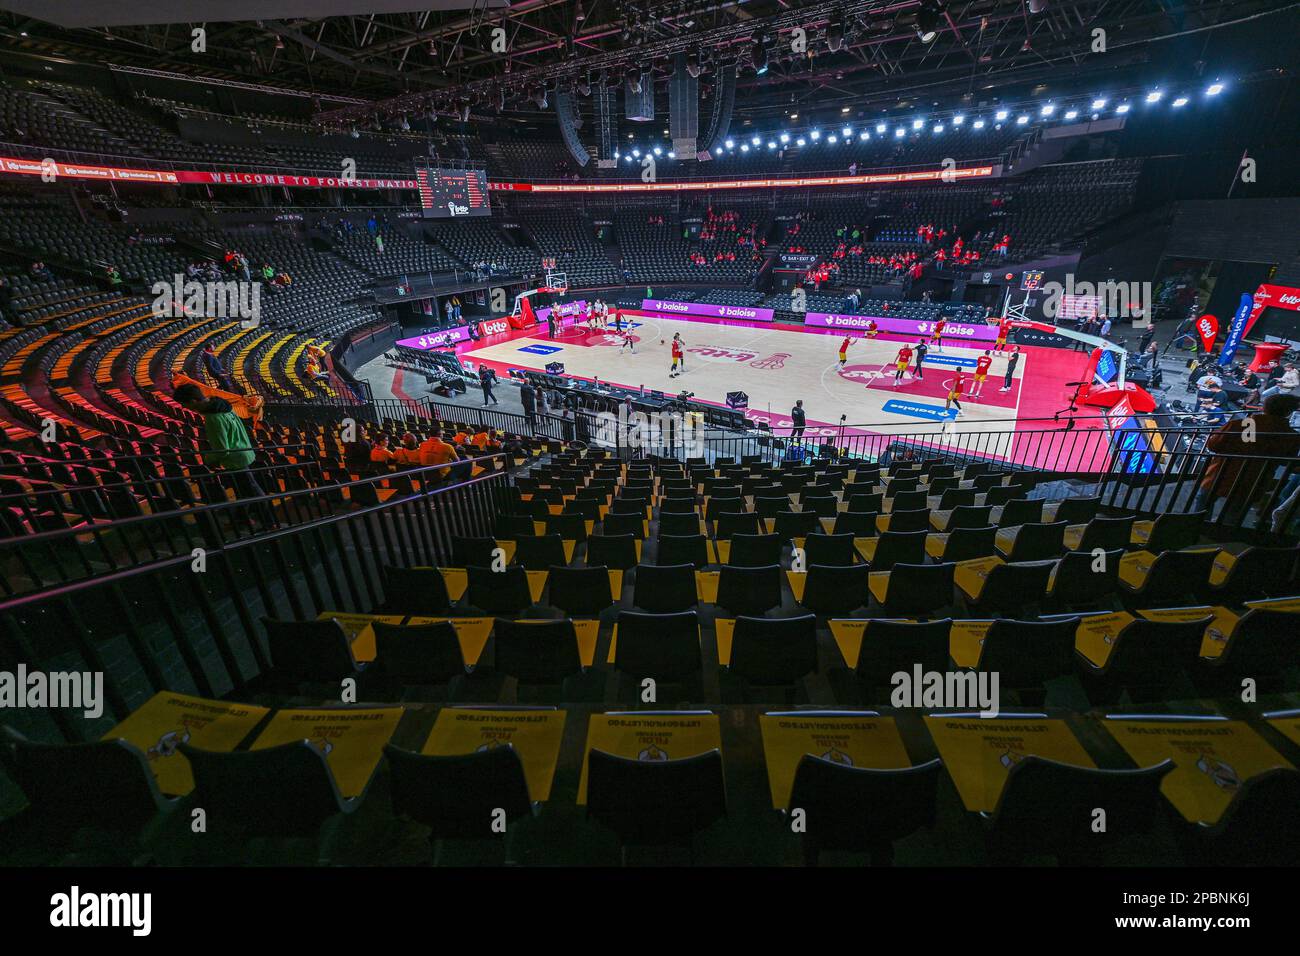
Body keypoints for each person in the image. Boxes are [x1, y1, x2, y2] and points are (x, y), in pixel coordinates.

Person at [1195, 394, 1300, 518]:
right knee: (1234, 512)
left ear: (1264, 408)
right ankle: (1222, 535)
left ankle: (1197, 526)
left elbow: (1213, 445)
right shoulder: (1291, 436)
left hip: (1221, 473)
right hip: (1255, 480)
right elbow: (1285, 461)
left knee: (1203, 500)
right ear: (1288, 412)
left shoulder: (1238, 424)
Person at [171, 383, 264, 500]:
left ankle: (265, 514)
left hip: (235, 459)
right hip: (244, 451)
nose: (184, 407)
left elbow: (222, 449)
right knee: (247, 490)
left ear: (193, 401)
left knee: (251, 492)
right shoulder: (223, 406)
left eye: (184, 404)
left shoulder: (213, 418)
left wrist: (208, 460)